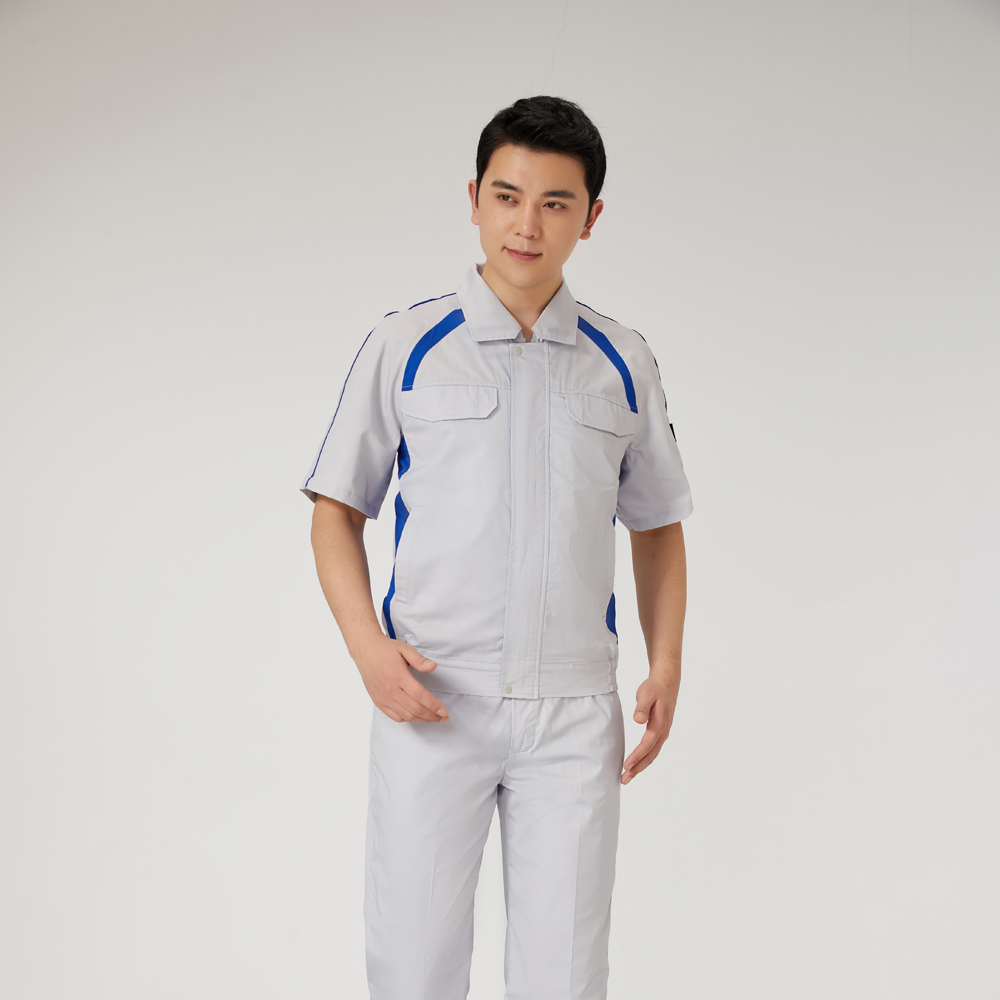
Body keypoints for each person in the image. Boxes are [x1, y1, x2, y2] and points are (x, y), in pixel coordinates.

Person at [302, 95, 692, 1000]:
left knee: (565, 978)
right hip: (432, 697)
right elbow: (335, 509)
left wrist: (666, 663)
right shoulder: (405, 344)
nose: (527, 225)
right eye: (508, 197)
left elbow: (659, 523)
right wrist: (367, 649)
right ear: (474, 198)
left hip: (572, 712)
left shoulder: (622, 359)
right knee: (413, 971)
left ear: (590, 217)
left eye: (556, 203)